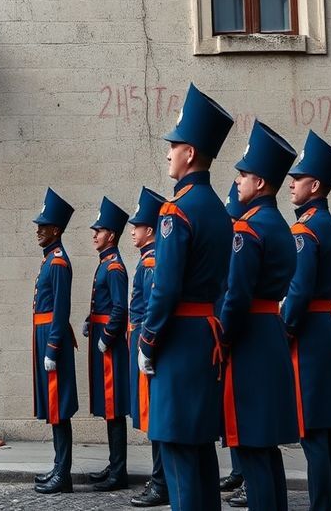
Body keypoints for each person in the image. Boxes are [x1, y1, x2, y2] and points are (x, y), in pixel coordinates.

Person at [136, 83, 234, 511]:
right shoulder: (217, 207)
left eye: (173, 146)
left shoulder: (177, 210)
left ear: (190, 153)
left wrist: (147, 340)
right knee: (201, 453)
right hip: (206, 338)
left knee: (176, 452)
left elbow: (166, 287)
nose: (168, 153)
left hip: (176, 340)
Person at [218, 121, 301, 511]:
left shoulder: (247, 228)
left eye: (244, 174)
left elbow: (236, 295)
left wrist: (223, 337)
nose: (238, 181)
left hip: (249, 338)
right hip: (270, 330)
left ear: (262, 182)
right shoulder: (281, 225)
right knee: (267, 449)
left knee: (252, 446)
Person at [283, 130, 331, 511]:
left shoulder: (305, 229)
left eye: (299, 179)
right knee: (328, 432)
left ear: (317, 185)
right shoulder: (330, 226)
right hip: (326, 330)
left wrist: (284, 330)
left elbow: (298, 290)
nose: (292, 185)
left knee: (311, 431)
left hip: (308, 332)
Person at [31, 188, 78, 495]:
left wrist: (52, 348)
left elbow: (61, 309)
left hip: (52, 338)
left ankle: (63, 474)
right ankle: (58, 466)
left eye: (44, 226)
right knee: (53, 408)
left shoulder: (58, 262)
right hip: (44, 333)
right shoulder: (50, 259)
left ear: (56, 230)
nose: (39, 230)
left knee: (58, 407)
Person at [84, 197, 131, 492]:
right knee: (107, 407)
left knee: (114, 408)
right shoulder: (105, 263)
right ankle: (115, 464)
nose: (94, 234)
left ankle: (119, 472)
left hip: (110, 347)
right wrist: (91, 320)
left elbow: (118, 308)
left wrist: (105, 337)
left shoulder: (114, 267)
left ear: (111, 235)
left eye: (99, 230)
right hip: (103, 340)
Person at [126, 186, 169, 508]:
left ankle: (160, 482)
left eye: (136, 227)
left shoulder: (152, 261)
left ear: (150, 231)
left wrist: (145, 345)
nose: (132, 232)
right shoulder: (147, 260)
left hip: (145, 340)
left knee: (155, 416)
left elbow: (152, 306)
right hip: (139, 338)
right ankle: (159, 479)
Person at [221, 181, 248, 509]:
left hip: (238, 335)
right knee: (231, 409)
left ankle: (246, 476)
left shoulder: (244, 243)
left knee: (243, 411)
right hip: (227, 333)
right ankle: (239, 470)